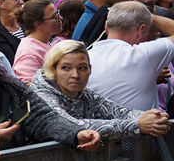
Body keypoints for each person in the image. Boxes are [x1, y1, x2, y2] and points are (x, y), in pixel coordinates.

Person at [30, 40, 172, 140]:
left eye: (82, 68)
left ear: (90, 70)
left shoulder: (85, 94)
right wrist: (136, 124)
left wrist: (154, 118)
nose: (75, 75)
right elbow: (69, 124)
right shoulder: (42, 93)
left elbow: (117, 110)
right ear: (53, 70)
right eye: (66, 68)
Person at [86, 1, 174, 111]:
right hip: (140, 127)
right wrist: (150, 17)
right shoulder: (144, 55)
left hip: (96, 127)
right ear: (140, 30)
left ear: (106, 27)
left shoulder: (84, 58)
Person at [11, 0, 63, 83]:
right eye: (54, 16)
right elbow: (27, 88)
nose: (60, 18)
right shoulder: (29, 54)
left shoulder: (43, 42)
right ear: (38, 24)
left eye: (58, 13)